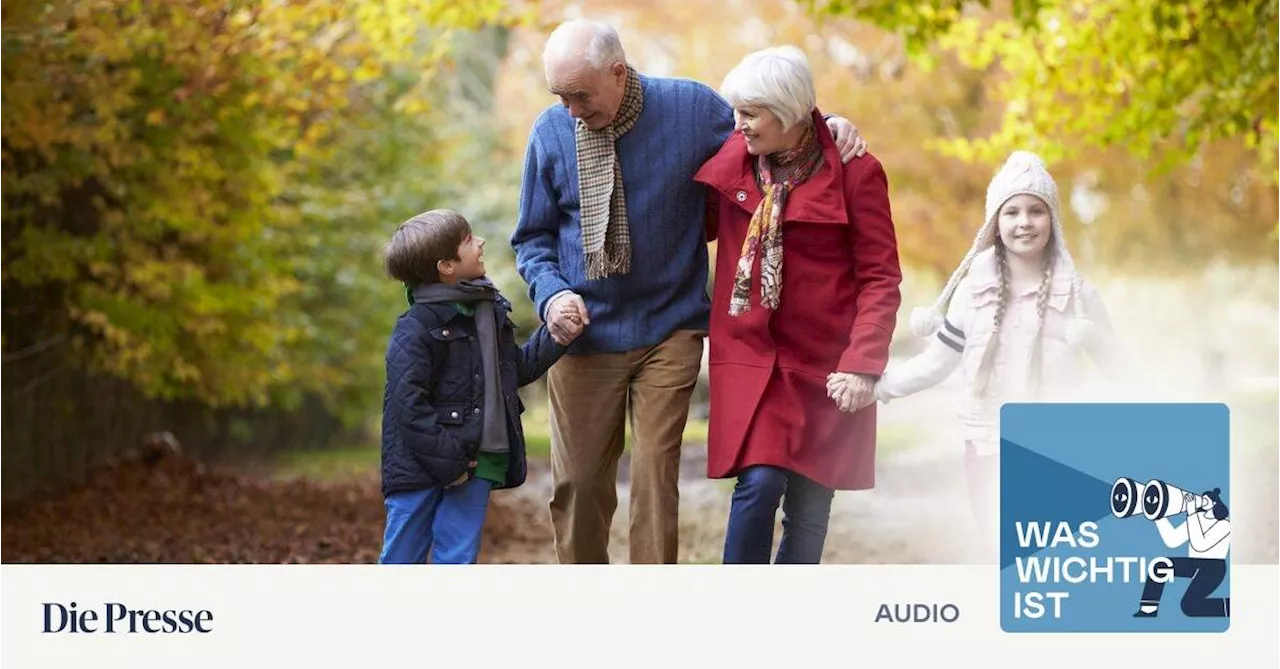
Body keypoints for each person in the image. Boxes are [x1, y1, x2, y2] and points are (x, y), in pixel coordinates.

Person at [511, 18, 869, 564]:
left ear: (618, 71)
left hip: (669, 327)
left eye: (580, 94)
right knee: (579, 487)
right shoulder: (551, 132)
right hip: (582, 333)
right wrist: (552, 293)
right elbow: (533, 238)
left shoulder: (691, 109)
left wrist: (830, 124)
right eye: (561, 96)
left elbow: (775, 126)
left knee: (656, 477)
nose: (572, 109)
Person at [691, 46, 902, 564]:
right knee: (759, 484)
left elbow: (880, 277)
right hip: (752, 358)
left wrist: (862, 365)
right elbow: (693, 227)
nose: (737, 124)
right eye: (736, 111)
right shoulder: (733, 162)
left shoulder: (857, 173)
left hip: (825, 366)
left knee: (810, 504)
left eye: (750, 113)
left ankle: (789, 620)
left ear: (788, 114)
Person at [874, 150, 1120, 545]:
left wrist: (1095, 340)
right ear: (995, 222)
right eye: (1012, 212)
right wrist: (877, 387)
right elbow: (937, 363)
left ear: (1053, 220)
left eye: (1036, 211)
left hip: (1057, 450)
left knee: (1050, 555)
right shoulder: (971, 292)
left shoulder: (1080, 296)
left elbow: (1120, 369)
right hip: (987, 445)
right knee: (997, 549)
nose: (1024, 222)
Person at [378, 209, 576, 564]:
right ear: (446, 266)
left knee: (457, 557)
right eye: (468, 241)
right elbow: (408, 406)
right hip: (420, 467)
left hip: (477, 461)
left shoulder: (488, 313)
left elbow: (515, 370)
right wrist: (450, 463)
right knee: (401, 558)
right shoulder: (415, 327)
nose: (480, 242)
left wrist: (557, 335)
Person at [1135, 488, 1231, 618]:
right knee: (1160, 565)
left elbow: (1200, 545)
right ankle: (1148, 610)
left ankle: (1231, 606)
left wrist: (1191, 514)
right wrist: (1158, 515)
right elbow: (1173, 540)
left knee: (1189, 607)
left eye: (1206, 500)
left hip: (1213, 568)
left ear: (1215, 503)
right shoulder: (1196, 518)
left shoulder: (1224, 524)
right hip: (1194, 563)